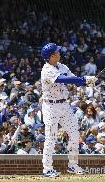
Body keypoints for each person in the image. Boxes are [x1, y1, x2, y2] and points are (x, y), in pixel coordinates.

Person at [40, 43, 97, 177]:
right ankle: (47, 169)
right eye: (57, 51)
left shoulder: (62, 66)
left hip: (64, 105)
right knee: (51, 138)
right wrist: (84, 79)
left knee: (74, 133)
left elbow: (74, 80)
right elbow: (61, 79)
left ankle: (73, 165)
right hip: (50, 107)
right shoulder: (47, 69)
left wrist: (87, 81)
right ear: (52, 55)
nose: (60, 52)